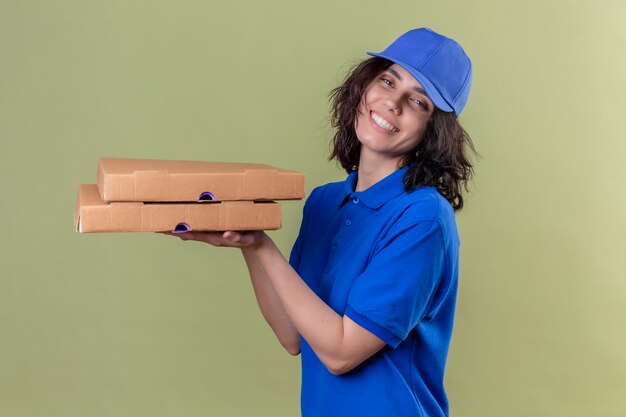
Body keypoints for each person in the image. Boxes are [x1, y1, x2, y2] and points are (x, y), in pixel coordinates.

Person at [162, 27, 475, 417]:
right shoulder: (326, 202)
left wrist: (261, 245)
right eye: (388, 80)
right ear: (364, 85)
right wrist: (250, 242)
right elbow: (292, 334)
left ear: (434, 131)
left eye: (418, 101)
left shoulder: (424, 219)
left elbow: (341, 353)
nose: (392, 103)